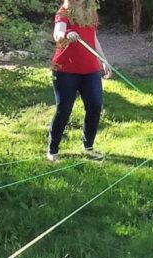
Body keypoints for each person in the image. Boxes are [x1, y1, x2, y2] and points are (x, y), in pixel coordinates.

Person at [48, 0, 112, 162]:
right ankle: (52, 150)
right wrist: (66, 35)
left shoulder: (90, 11)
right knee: (64, 108)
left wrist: (103, 60)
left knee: (95, 105)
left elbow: (93, 38)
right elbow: (57, 33)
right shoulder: (63, 12)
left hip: (90, 69)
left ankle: (88, 147)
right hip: (65, 69)